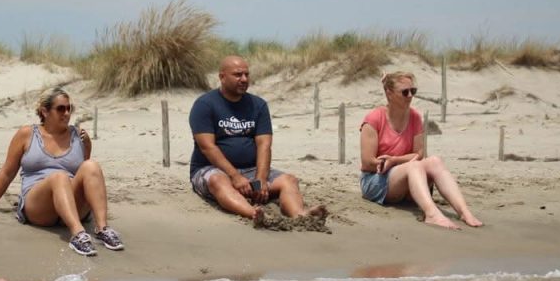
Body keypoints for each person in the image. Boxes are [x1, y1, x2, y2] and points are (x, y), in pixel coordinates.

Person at [0, 86, 124, 256]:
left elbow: (87, 178)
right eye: (60, 109)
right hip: (39, 206)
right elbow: (7, 172)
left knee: (91, 166)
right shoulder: (26, 134)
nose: (66, 113)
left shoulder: (80, 137)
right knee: (59, 176)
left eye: (69, 108)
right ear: (45, 111)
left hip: (72, 202)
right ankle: (78, 234)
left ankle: (102, 229)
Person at [189, 55, 326, 221]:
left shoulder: (258, 105)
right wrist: (235, 176)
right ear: (222, 77)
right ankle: (253, 213)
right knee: (218, 180)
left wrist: (260, 179)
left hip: (251, 169)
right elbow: (207, 147)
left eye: (246, 74)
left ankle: (300, 215)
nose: (244, 79)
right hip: (211, 169)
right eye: (238, 75)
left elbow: (264, 145)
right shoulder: (205, 104)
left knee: (289, 180)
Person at [359, 71, 483, 229]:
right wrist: (388, 163)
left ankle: (464, 212)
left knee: (434, 161)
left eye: (413, 91)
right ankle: (431, 214)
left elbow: (419, 154)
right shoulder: (374, 118)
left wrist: (395, 160)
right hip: (376, 180)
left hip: (406, 176)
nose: (410, 95)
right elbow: (368, 163)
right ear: (389, 93)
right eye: (405, 92)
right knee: (414, 165)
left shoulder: (415, 117)